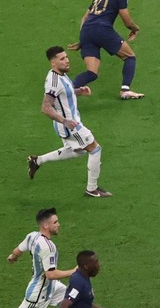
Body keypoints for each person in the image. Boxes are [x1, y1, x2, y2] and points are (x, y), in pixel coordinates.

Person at [28, 46, 112, 197]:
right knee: (95, 149)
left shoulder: (62, 75)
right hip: (69, 126)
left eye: (66, 57)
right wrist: (65, 121)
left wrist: (79, 91)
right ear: (53, 63)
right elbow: (46, 108)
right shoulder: (53, 82)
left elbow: (64, 93)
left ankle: (37, 160)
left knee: (77, 151)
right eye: (62, 59)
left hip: (70, 123)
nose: (67, 61)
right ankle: (91, 189)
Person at [69, 0, 144, 100]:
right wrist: (135, 28)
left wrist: (82, 39)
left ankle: (64, 90)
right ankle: (125, 90)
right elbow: (127, 21)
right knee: (130, 57)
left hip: (86, 31)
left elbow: (85, 18)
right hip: (103, 30)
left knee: (92, 73)